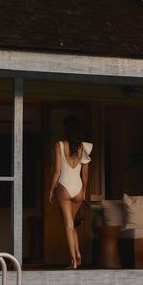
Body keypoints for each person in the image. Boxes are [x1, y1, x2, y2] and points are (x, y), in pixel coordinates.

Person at [49, 115, 93, 269]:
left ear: (66, 130)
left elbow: (57, 171)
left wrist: (51, 190)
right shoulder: (84, 148)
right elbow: (85, 174)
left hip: (64, 188)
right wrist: (84, 193)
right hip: (79, 189)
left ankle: (73, 261)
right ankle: (78, 253)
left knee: (67, 226)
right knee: (72, 224)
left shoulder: (59, 145)